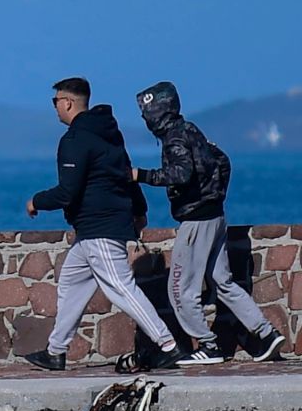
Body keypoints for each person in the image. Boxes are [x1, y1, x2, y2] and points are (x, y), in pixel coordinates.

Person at [22, 77, 188, 372]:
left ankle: (168, 345)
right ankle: (56, 351)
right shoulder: (110, 134)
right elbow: (125, 173)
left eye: (56, 101)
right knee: (71, 283)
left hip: (100, 229)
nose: (55, 107)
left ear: (68, 102)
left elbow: (67, 191)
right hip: (93, 231)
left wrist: (36, 201)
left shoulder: (75, 140)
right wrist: (140, 209)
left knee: (121, 289)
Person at [132, 81, 285, 365]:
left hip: (196, 221)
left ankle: (209, 345)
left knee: (180, 290)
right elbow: (223, 161)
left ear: (158, 111)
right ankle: (266, 333)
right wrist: (216, 195)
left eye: (146, 112)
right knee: (223, 282)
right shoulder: (191, 130)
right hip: (216, 217)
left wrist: (140, 175)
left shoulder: (174, 138)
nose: (144, 119)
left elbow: (180, 174)